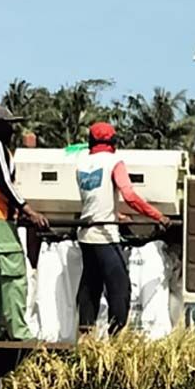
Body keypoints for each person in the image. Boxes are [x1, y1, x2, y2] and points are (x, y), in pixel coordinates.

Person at [75, 121, 171, 336]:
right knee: (120, 288)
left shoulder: (81, 163)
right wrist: (159, 216)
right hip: (104, 236)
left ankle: (86, 337)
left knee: (91, 285)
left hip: (85, 233)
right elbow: (129, 196)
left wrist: (115, 213)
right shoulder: (115, 161)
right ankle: (115, 336)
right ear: (113, 142)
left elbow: (94, 199)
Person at [0, 106, 49, 340]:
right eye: (9, 124)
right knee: (13, 274)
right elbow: (5, 183)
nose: (12, 129)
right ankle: (19, 331)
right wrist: (28, 210)